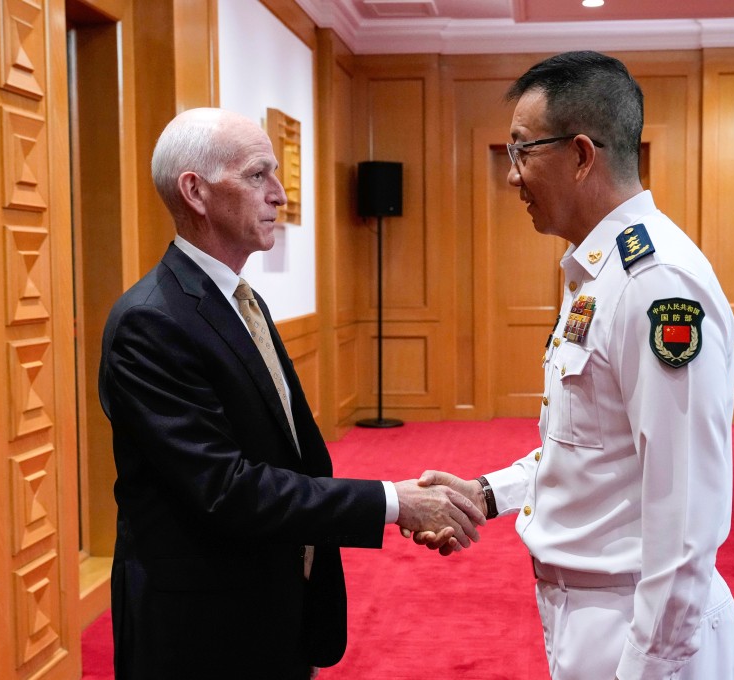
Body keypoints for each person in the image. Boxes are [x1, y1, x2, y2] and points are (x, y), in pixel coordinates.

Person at [98, 107, 484, 680]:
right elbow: (225, 489)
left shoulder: (240, 299)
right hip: (201, 629)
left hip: (272, 600)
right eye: (258, 175)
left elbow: (290, 454)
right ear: (195, 192)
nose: (279, 194)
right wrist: (394, 503)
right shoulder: (150, 321)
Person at [413, 51, 734, 679]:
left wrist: (648, 669)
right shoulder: (597, 272)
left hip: (640, 629)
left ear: (581, 155)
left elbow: (686, 512)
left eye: (521, 150)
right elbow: (589, 446)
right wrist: (487, 493)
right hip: (593, 613)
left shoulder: (654, 283)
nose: (512, 175)